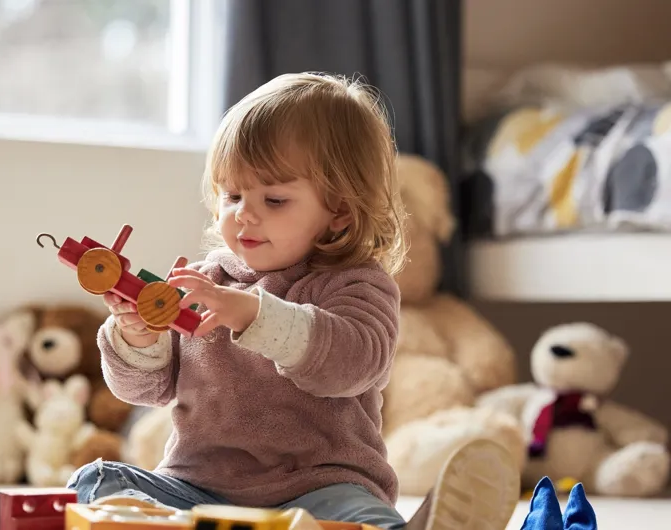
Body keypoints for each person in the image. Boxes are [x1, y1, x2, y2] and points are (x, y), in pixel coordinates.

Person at [67, 72, 521, 529]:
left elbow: (352, 363)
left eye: (275, 199)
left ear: (339, 211)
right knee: (96, 482)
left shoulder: (356, 283)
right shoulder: (204, 281)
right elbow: (146, 390)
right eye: (233, 194)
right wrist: (139, 338)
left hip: (320, 490)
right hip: (198, 488)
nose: (244, 213)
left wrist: (255, 314)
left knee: (362, 518)